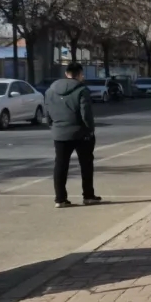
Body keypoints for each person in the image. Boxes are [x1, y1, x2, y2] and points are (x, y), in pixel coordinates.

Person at [44, 63, 101, 209]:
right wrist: (90, 130)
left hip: (59, 132)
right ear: (80, 74)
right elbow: (86, 114)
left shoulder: (50, 91)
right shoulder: (82, 90)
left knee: (61, 165)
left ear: (66, 73)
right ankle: (88, 196)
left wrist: (53, 126)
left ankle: (60, 199)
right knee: (86, 164)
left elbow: (47, 113)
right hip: (81, 133)